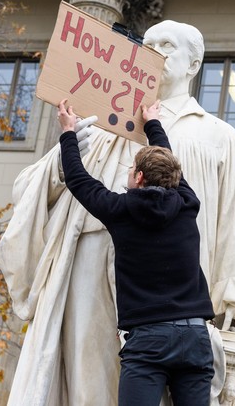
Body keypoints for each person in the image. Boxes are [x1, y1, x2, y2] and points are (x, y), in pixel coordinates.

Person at [0, 20, 235, 405]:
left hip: (172, 285)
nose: (153, 51)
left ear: (194, 64)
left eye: (167, 45)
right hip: (88, 266)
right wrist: (64, 154)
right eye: (149, 43)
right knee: (87, 384)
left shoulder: (217, 134)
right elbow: (30, 188)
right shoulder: (102, 124)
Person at [57, 97, 214, 405]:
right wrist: (153, 123)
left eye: (131, 169)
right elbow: (169, 161)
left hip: (149, 339)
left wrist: (68, 133)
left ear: (139, 177)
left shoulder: (120, 209)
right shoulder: (187, 203)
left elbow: (78, 180)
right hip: (195, 335)